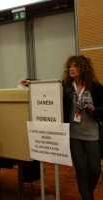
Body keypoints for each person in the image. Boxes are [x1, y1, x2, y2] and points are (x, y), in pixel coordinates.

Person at [19, 55, 103, 200]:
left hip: (91, 134)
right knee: (81, 170)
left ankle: (88, 194)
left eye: (74, 66)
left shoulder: (95, 87)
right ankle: (87, 198)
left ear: (83, 68)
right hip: (73, 134)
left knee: (95, 170)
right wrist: (31, 82)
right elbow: (49, 85)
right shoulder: (66, 86)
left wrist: (94, 110)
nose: (71, 69)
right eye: (69, 66)